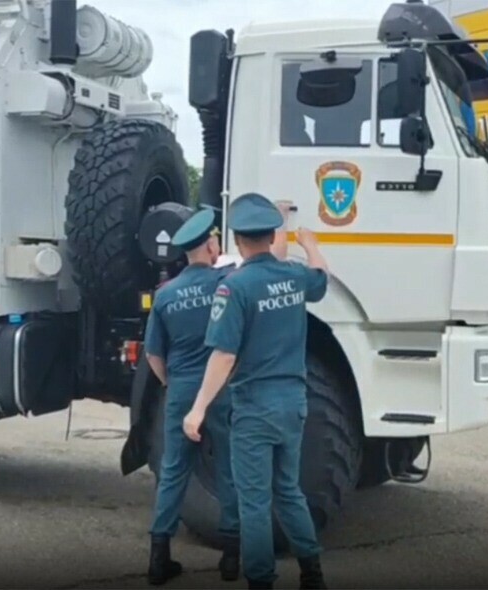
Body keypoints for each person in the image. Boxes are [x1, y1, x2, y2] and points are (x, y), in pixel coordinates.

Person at [182, 193, 330, 590]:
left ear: (238, 240)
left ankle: (260, 580)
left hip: (254, 408)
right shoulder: (294, 276)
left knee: (254, 502)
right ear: (269, 236)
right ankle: (312, 574)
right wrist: (311, 245)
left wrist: (197, 409)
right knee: (288, 490)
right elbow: (321, 278)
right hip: (294, 404)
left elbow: (223, 357)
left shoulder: (236, 287)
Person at [142, 207, 240, 585]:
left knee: (174, 471)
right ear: (212, 245)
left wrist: (171, 382)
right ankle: (231, 558)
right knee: (229, 468)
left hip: (181, 390)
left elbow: (153, 355)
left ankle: (158, 557)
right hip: (220, 388)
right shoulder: (226, 283)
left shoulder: (166, 296)